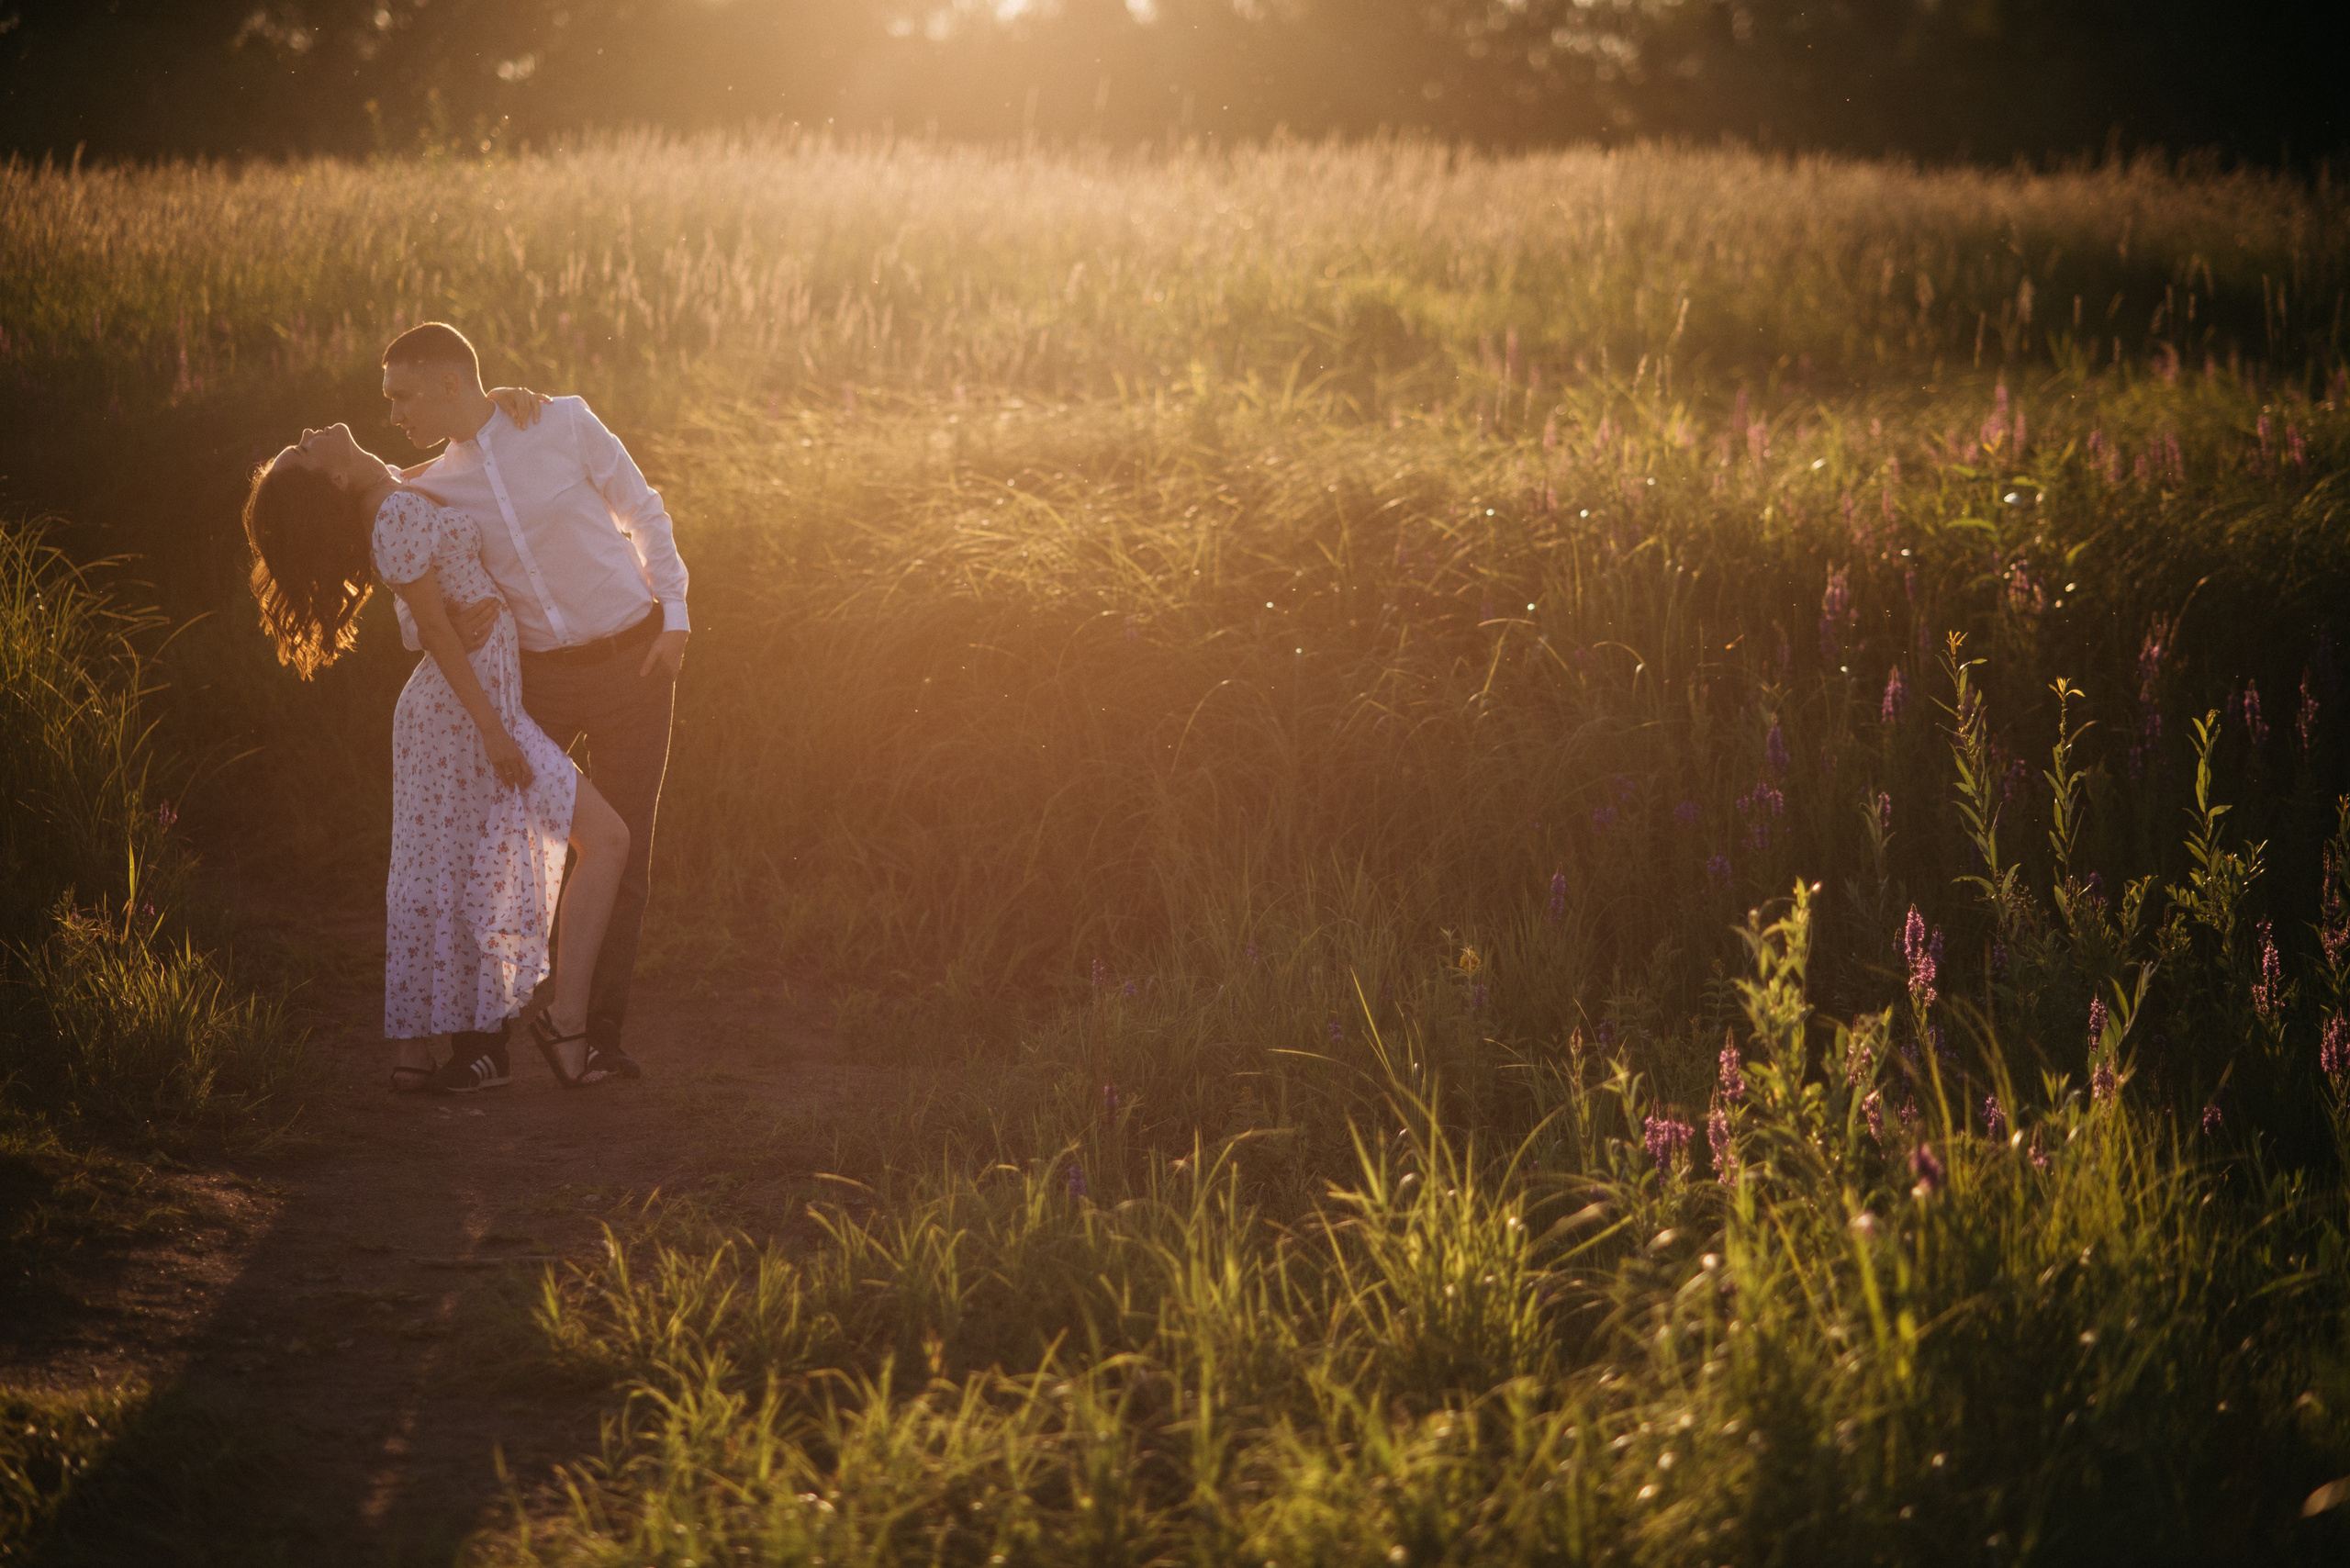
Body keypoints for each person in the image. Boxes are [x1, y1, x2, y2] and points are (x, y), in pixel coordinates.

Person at [243, 421, 633, 1092]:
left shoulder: (394, 490)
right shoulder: (391, 510)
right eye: (304, 450)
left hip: (468, 706)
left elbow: (426, 579)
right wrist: (493, 730)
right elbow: (425, 624)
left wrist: (515, 402)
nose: (308, 431)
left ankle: (426, 1053)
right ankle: (514, 1040)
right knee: (587, 841)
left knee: (449, 866)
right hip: (465, 714)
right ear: (335, 479)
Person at [380, 323, 688, 1084]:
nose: (394, 413)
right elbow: (408, 596)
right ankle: (482, 1046)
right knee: (501, 854)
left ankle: (590, 1037)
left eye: (402, 395)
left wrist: (676, 619)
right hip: (535, 682)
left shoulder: (561, 420)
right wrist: (447, 619)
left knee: (627, 857)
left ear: (451, 382)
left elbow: (643, 508)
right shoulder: (426, 485)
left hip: (635, 663)